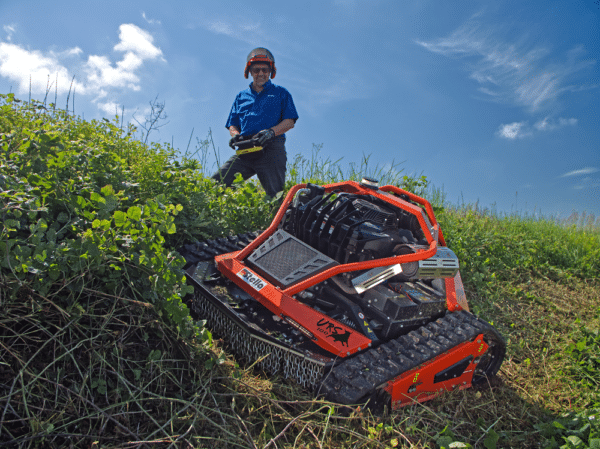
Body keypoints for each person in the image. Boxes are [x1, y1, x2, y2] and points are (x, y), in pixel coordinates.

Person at [212, 47, 299, 198]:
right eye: (256, 70)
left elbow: (289, 121)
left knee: (275, 196)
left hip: (271, 147)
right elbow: (233, 124)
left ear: (271, 72)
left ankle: (278, 220)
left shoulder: (281, 93)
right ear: (249, 72)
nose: (261, 73)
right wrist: (235, 135)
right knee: (216, 184)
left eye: (265, 70)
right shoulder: (241, 97)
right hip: (246, 148)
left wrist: (271, 132)